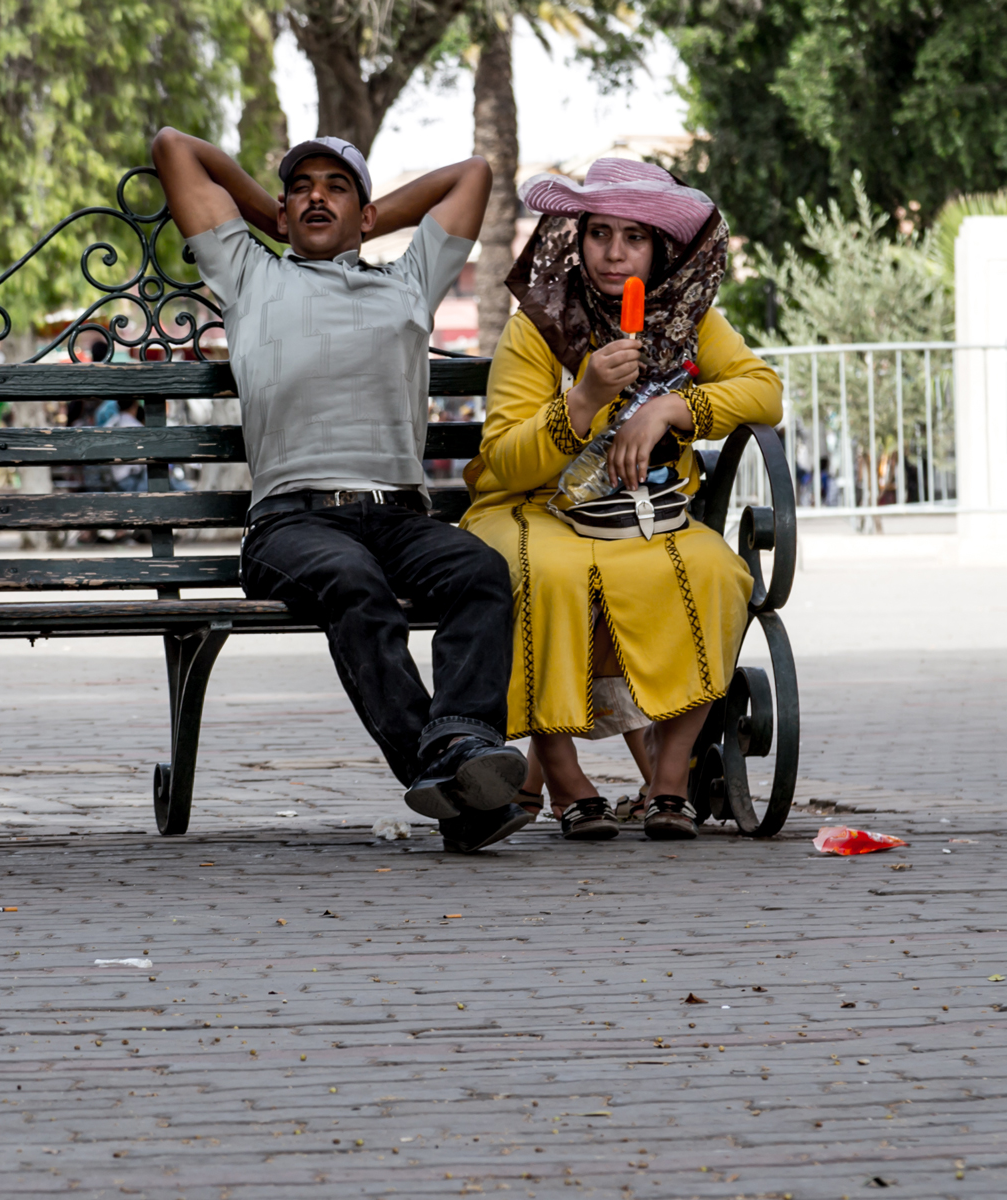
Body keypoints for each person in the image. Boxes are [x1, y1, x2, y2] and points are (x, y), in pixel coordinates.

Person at [150, 129, 530, 854]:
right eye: (302, 186)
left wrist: (361, 219)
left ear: (367, 214)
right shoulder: (248, 273)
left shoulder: (408, 281)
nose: (316, 193)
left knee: (480, 571)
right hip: (294, 526)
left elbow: (474, 173)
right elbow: (175, 147)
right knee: (356, 586)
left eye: (337, 185)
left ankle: (460, 744)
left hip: (397, 517)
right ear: (281, 215)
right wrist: (276, 218)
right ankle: (445, 772)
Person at [459, 158, 783, 841]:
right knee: (547, 575)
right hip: (531, 508)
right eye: (599, 233)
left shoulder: (690, 319)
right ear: (575, 239)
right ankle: (565, 779)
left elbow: (764, 391)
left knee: (717, 572)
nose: (613, 253)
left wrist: (671, 405)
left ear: (659, 248)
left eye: (633, 237)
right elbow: (503, 460)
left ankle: (669, 782)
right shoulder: (538, 326)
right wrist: (581, 401)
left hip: (641, 513)